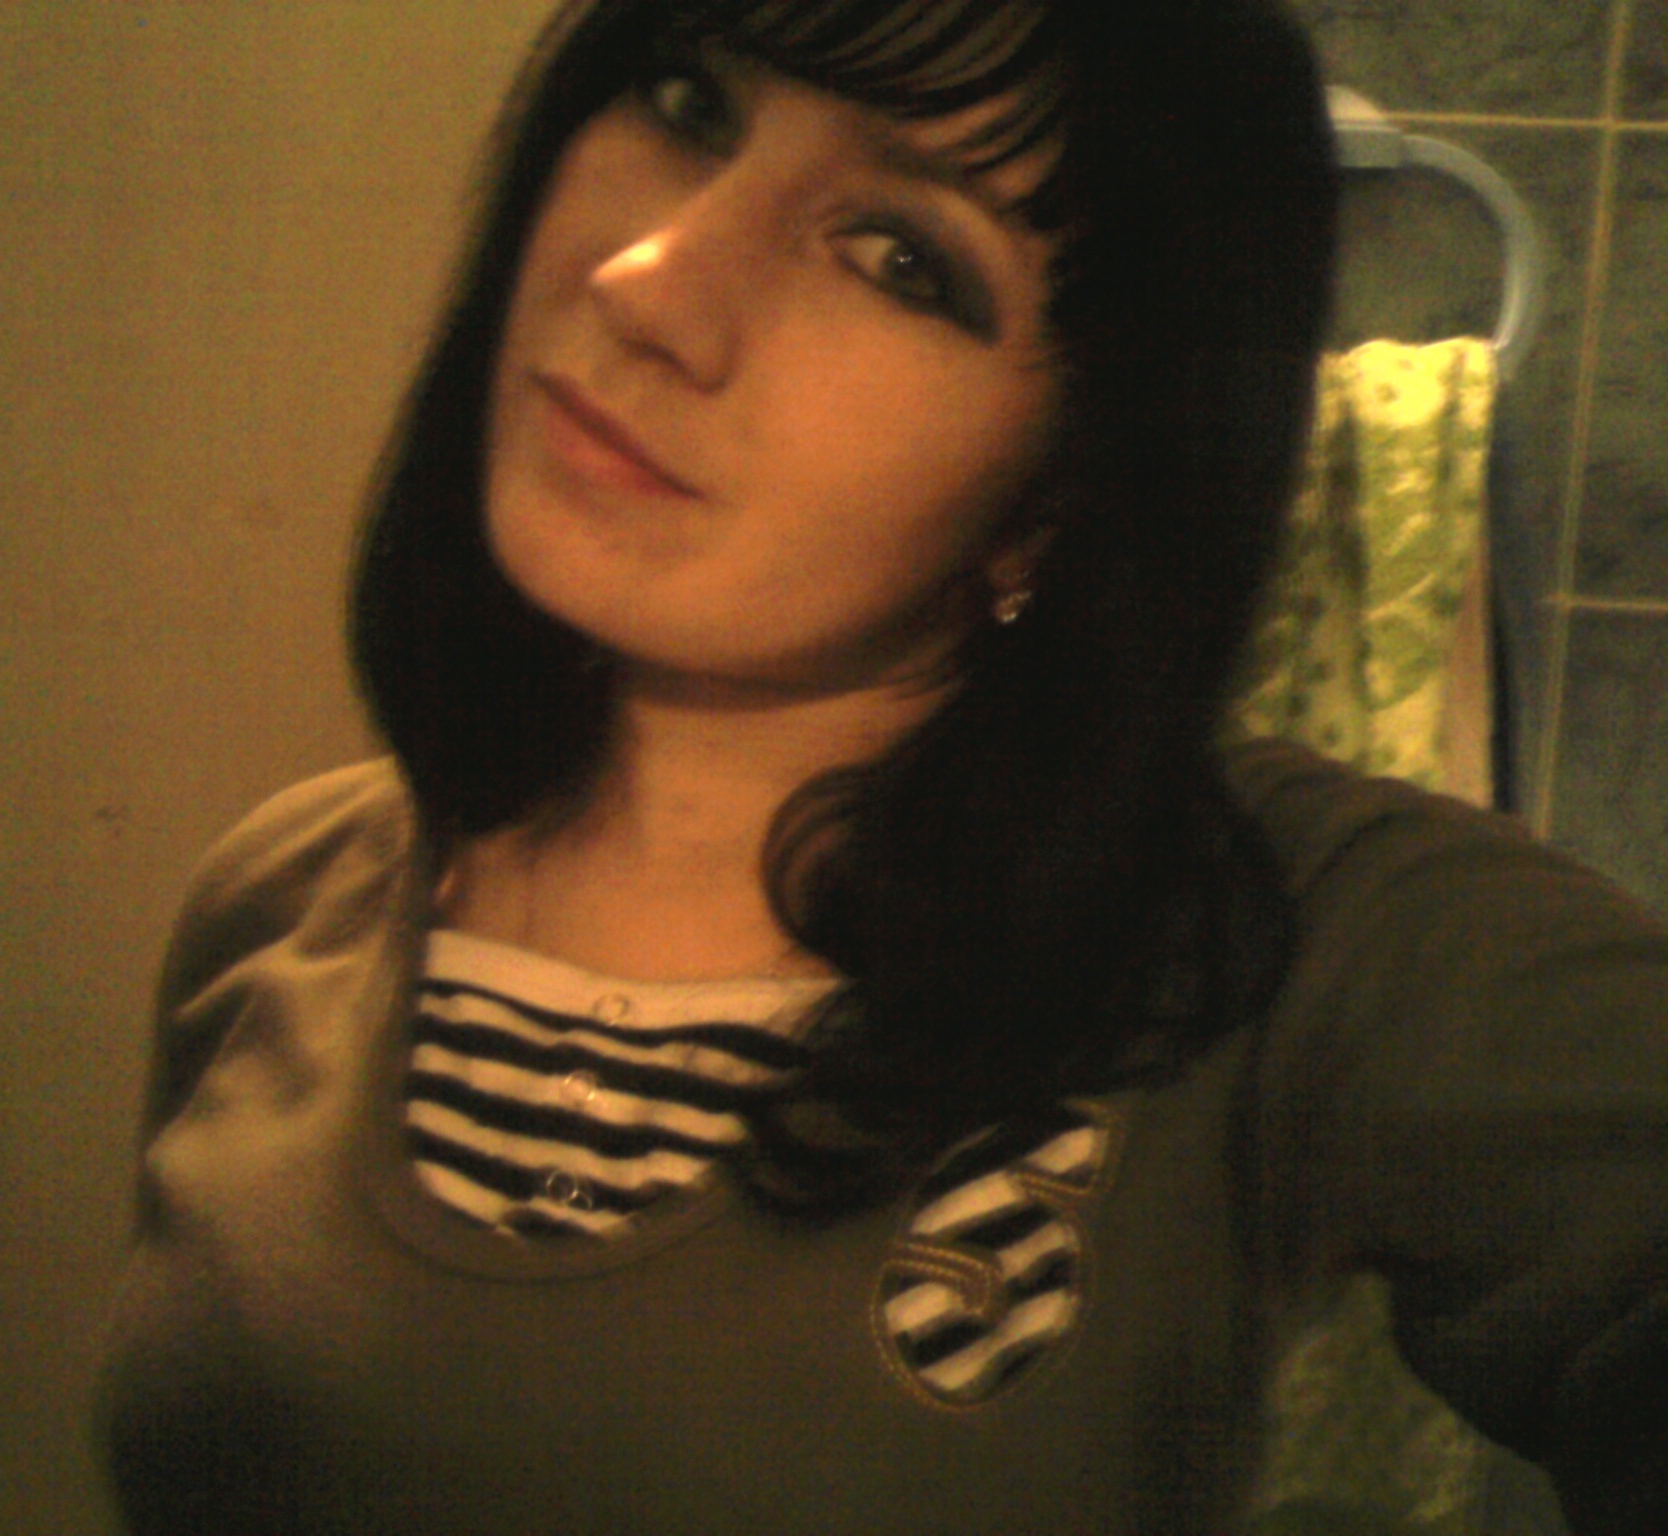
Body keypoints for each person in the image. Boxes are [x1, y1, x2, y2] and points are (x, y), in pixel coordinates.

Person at [96, 1, 1668, 1531]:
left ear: (1067, 482)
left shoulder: (1297, 944)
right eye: (690, 104)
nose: (647, 283)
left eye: (902, 259)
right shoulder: (280, 896)